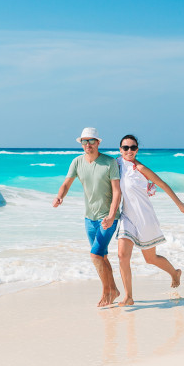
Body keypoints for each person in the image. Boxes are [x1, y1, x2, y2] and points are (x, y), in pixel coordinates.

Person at [115, 135, 184, 306]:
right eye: (125, 147)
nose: (129, 150)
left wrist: (180, 204)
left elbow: (163, 184)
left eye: (133, 147)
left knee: (150, 258)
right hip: (127, 217)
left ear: (137, 150)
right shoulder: (116, 164)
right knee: (122, 255)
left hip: (145, 218)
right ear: (120, 150)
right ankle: (128, 296)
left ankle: (174, 273)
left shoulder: (141, 168)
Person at [53, 127, 122, 307]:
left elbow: (117, 191)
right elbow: (66, 184)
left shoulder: (109, 163)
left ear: (98, 143)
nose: (88, 144)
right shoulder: (77, 162)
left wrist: (111, 215)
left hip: (108, 217)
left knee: (95, 255)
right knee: (102, 256)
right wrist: (60, 196)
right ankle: (114, 290)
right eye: (84, 141)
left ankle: (106, 292)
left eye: (91, 141)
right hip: (89, 218)